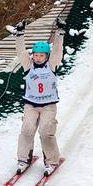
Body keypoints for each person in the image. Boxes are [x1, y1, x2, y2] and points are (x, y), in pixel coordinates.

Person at [13, 17, 66, 176]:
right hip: (31, 104)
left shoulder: (52, 64)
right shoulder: (28, 65)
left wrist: (59, 33)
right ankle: (23, 158)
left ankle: (51, 161)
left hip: (48, 106)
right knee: (27, 129)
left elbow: (57, 50)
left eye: (41, 55)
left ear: (46, 56)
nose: (37, 58)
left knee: (46, 132)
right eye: (36, 55)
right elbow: (20, 52)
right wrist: (20, 35)